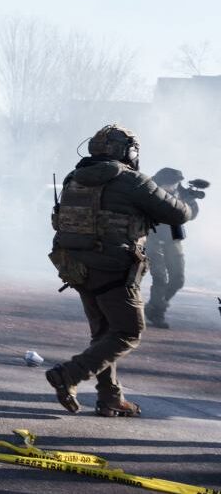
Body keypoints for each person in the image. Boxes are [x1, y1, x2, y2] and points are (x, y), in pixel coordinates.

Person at [44, 125, 193, 418]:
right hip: (114, 268)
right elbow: (178, 213)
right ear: (127, 151)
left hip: (75, 266)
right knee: (128, 331)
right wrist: (179, 196)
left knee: (103, 333)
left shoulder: (74, 177)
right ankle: (69, 374)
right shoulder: (133, 180)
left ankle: (110, 398)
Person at [143, 168, 204, 329]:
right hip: (152, 236)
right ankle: (157, 313)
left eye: (176, 183)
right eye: (170, 183)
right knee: (160, 277)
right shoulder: (148, 190)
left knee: (178, 279)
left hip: (173, 236)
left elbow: (192, 215)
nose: (173, 186)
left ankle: (153, 307)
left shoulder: (181, 192)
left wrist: (189, 201)